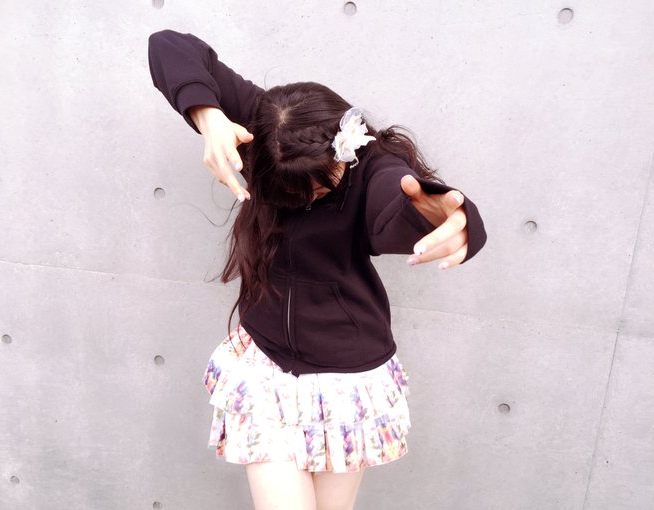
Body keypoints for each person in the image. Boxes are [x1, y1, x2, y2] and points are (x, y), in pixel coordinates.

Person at [148, 29, 487, 510]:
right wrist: (209, 117)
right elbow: (168, 45)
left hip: (346, 380)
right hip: (266, 368)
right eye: (291, 192)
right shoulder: (264, 126)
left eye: (319, 188)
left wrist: (437, 212)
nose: (305, 200)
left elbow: (397, 196)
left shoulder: (374, 167)